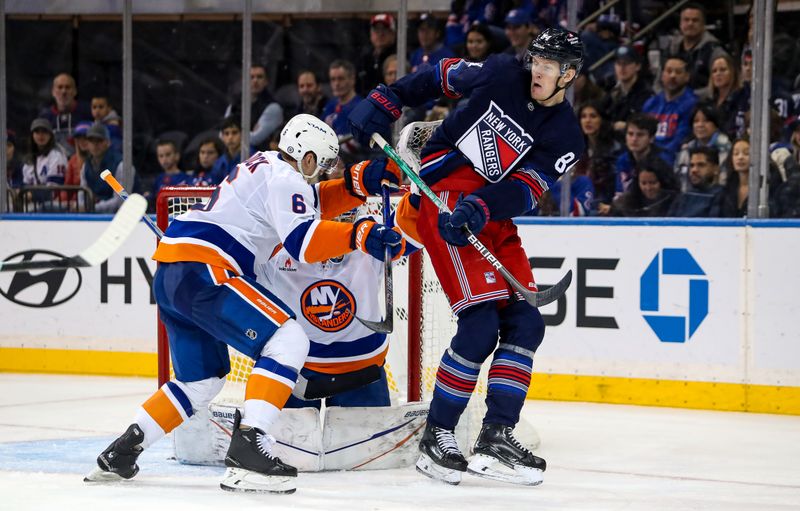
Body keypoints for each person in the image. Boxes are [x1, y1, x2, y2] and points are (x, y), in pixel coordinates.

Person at [84, 114, 404, 493]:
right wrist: (360, 233)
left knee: (200, 382)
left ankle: (122, 451)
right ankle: (249, 448)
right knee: (289, 339)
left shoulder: (267, 168)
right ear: (306, 156)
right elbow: (303, 241)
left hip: (174, 273)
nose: (319, 173)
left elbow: (311, 204)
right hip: (206, 268)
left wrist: (354, 187)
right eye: (320, 163)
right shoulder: (284, 177)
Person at [349, 27, 585, 486]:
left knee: (527, 322)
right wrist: (389, 98)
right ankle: (437, 437)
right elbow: (440, 76)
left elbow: (524, 189)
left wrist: (483, 207)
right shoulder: (499, 73)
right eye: (535, 59)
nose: (538, 69)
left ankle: (496, 436)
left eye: (550, 65)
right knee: (480, 325)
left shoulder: (567, 135)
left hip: (488, 214)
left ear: (569, 74)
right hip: (442, 198)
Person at [260, 203, 421, 410]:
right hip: (293, 366)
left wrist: (419, 195)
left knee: (367, 442)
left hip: (361, 366)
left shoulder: (373, 235)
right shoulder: (277, 242)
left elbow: (410, 230)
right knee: (280, 440)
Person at [642, 55, 698, 163]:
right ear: (662, 75)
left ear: (687, 77)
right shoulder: (650, 104)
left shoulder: (692, 104)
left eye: (678, 72)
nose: (672, 76)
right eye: (669, 71)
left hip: (673, 159)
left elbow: (680, 139)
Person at [224, 65, 284, 150]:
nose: (255, 80)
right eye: (251, 77)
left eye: (259, 77)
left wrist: (233, 135)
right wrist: (249, 132)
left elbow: (255, 139)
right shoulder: (234, 105)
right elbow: (222, 134)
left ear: (266, 81)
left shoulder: (273, 108)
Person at [674, 104, 732, 190]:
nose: (700, 125)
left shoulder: (725, 146)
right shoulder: (688, 147)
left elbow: (724, 179)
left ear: (716, 125)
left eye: (706, 121)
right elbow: (680, 176)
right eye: (696, 121)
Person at [80, 122, 133, 213]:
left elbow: (120, 200)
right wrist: (82, 206)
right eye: (91, 141)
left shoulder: (120, 165)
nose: (95, 145)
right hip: (94, 215)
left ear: (108, 142)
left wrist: (92, 208)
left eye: (99, 141)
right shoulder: (86, 165)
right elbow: (82, 194)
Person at [665, 3, 720, 90]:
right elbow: (658, 81)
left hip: (700, 101)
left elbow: (716, 87)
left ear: (703, 25)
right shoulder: (672, 47)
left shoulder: (714, 50)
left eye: (695, 20)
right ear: (680, 24)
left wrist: (688, 98)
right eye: (686, 20)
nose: (690, 23)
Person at [603, 45, 653, 139]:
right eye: (619, 63)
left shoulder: (645, 93)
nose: (622, 68)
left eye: (627, 63)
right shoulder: (612, 90)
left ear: (637, 66)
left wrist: (626, 125)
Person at [38, 73, 92, 158]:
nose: (63, 91)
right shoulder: (44, 117)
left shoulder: (88, 112)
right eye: (60, 87)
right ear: (53, 92)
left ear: (75, 91)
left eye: (68, 87)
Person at [21, 118, 67, 210]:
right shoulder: (28, 160)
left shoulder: (56, 155)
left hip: (53, 206)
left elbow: (54, 190)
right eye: (37, 132)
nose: (40, 135)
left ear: (50, 135)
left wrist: (32, 195)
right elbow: (25, 186)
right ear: (32, 135)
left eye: (44, 132)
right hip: (31, 206)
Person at [667, 146, 726, 217]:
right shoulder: (684, 195)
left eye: (701, 165)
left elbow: (714, 225)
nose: (694, 170)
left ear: (716, 169)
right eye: (692, 165)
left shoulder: (722, 195)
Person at [609, 157, 678, 216]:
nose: (648, 188)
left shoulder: (676, 203)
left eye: (653, 183)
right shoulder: (622, 205)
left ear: (663, 181)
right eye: (643, 183)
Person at [357, 13, 397, 96]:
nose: (380, 34)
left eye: (384, 30)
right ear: (371, 34)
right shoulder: (365, 58)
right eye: (376, 30)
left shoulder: (398, 57)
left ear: (393, 34)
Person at [149, 139, 192, 208]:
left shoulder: (187, 179)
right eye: (161, 156)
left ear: (177, 156)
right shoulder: (158, 179)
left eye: (168, 155)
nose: (164, 159)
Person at [210, 116, 245, 184]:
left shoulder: (253, 157)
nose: (230, 137)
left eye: (234, 133)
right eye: (226, 133)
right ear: (222, 137)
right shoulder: (218, 163)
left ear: (242, 134)